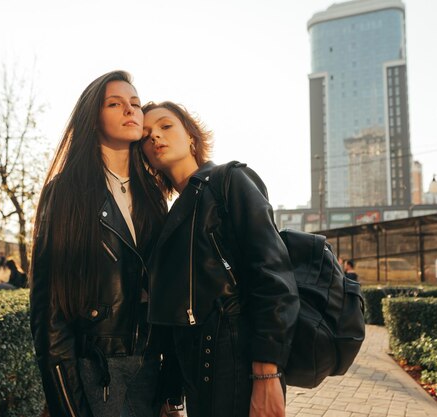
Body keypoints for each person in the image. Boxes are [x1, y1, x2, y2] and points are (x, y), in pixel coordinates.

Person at [140, 101, 300, 417]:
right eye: (145, 135)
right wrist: (171, 394)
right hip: (198, 372)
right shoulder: (170, 215)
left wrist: (267, 374)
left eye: (165, 126)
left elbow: (272, 275)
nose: (155, 136)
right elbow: (176, 313)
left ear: (192, 138)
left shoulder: (229, 180)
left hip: (236, 362)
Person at [30, 71, 168, 417]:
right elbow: (49, 311)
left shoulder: (153, 195)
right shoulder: (66, 193)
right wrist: (68, 405)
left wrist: (172, 391)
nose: (131, 110)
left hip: (151, 370)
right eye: (115, 103)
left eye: (135, 103)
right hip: (97, 372)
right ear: (92, 118)